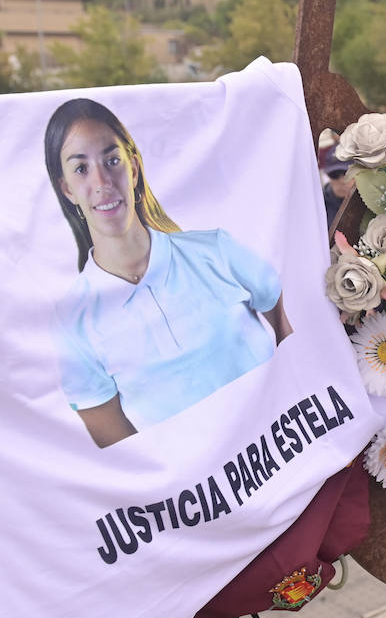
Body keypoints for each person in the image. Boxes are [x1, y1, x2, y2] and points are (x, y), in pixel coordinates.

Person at [45, 98, 294, 447]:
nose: (102, 181)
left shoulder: (216, 251)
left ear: (133, 168)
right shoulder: (73, 320)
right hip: (210, 495)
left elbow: (292, 332)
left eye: (111, 160)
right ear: (67, 188)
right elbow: (121, 449)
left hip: (289, 454)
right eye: (81, 168)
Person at [320, 146, 352, 230]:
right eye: (335, 174)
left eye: (347, 173)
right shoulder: (318, 206)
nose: (342, 181)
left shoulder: (372, 201)